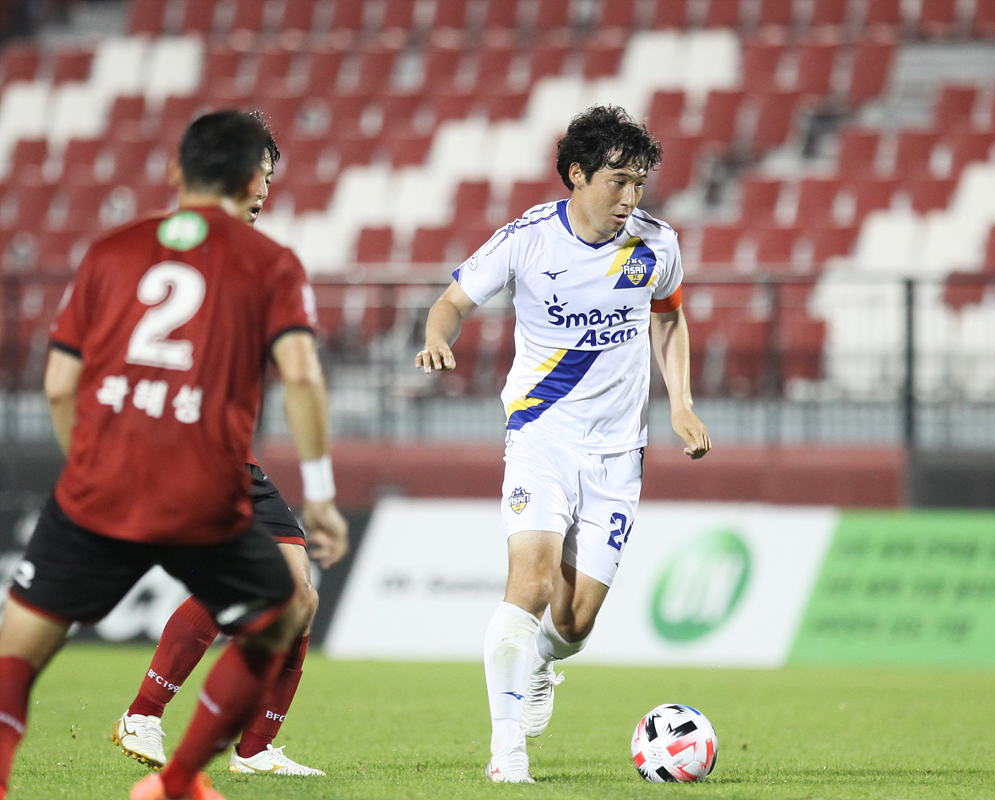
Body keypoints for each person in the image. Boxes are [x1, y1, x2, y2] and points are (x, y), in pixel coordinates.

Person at [0, 110, 347, 800]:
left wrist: (89, 466)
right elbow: (303, 376)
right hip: (204, 478)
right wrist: (322, 493)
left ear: (174, 170)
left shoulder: (111, 250)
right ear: (249, 182)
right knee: (283, 609)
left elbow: (60, 384)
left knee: (19, 656)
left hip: (105, 478)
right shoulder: (271, 263)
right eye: (264, 178)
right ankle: (179, 776)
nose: (266, 191)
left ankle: (191, 746)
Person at [415, 105, 711, 784]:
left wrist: (682, 403)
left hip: (618, 452)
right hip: (540, 436)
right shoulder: (528, 240)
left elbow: (669, 320)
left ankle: (542, 662)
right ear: (577, 175)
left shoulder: (657, 244)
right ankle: (507, 751)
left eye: (639, 183)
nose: (630, 198)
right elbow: (451, 303)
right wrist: (436, 338)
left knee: (574, 622)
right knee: (531, 582)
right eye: (617, 181)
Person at [112, 115, 334, 779]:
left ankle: (256, 751)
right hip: (185, 441)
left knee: (298, 596)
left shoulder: (225, 252)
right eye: (261, 173)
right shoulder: (209, 253)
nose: (266, 188)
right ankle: (143, 714)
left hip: (229, 451)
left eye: (270, 176)